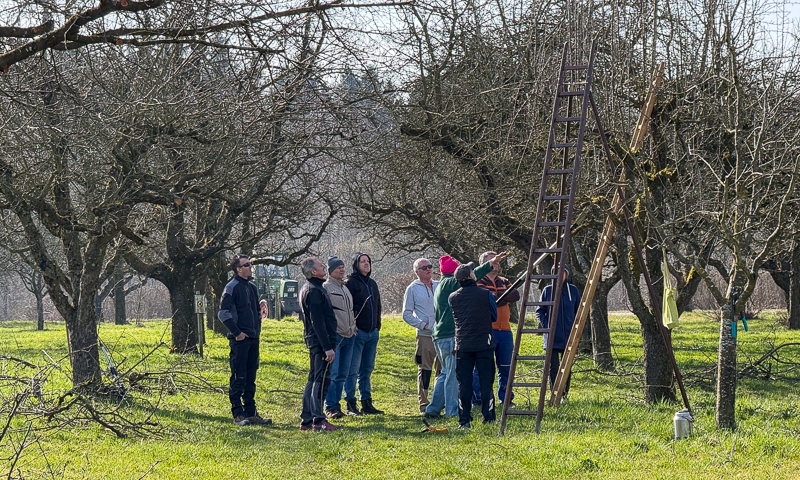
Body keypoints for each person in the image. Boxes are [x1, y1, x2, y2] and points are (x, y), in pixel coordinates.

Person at [424, 252, 507, 419]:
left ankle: (433, 408)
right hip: (449, 335)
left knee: (445, 373)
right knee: (454, 377)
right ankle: (453, 412)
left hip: (439, 336)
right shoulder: (450, 284)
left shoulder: (441, 285)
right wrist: (490, 263)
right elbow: (467, 278)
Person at [218, 254, 272, 426]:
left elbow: (257, 312)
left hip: (253, 339)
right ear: (238, 269)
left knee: (250, 377)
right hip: (240, 341)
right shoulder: (231, 287)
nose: (250, 266)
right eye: (246, 264)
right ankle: (238, 414)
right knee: (238, 377)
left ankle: (251, 412)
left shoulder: (252, 287)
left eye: (250, 263)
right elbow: (223, 314)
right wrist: (237, 333)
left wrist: (257, 331)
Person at [450, 262, 498, 428]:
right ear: (471, 276)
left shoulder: (453, 297)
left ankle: (464, 420)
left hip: (462, 344)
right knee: (486, 382)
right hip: (484, 343)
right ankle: (489, 417)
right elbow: (494, 316)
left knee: (464, 384)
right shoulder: (485, 294)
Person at [299, 257, 342, 432]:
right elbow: (318, 322)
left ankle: (307, 419)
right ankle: (319, 420)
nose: (324, 266)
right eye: (320, 265)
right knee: (321, 380)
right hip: (320, 343)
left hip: (316, 342)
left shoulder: (312, 288)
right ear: (313, 272)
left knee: (313, 379)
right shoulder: (314, 291)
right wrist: (327, 347)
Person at [474, 251, 520, 406]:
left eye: (498, 262)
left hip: (505, 330)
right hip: (487, 330)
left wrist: (497, 295)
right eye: (493, 261)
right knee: (483, 366)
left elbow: (515, 295)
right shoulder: (478, 281)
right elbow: (488, 299)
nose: (496, 264)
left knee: (506, 366)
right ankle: (479, 398)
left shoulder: (504, 280)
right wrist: (500, 295)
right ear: (483, 264)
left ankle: (506, 398)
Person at [345, 252, 384, 415]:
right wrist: (353, 327)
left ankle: (366, 402)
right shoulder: (351, 283)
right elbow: (348, 308)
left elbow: (378, 306)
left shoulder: (373, 283)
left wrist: (377, 326)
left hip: (372, 333)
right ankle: (350, 402)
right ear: (356, 264)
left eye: (368, 261)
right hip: (358, 333)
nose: (366, 264)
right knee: (352, 370)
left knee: (367, 369)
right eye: (362, 261)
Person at [536, 264, 581, 402]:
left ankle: (564, 394)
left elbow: (579, 311)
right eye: (556, 272)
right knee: (553, 366)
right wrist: (547, 326)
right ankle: (554, 393)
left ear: (567, 274)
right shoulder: (547, 290)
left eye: (563, 272)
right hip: (552, 336)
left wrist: (576, 330)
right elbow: (540, 311)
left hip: (569, 335)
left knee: (566, 366)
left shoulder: (572, 290)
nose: (560, 274)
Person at [402, 258, 440, 412]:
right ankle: (424, 404)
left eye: (430, 266)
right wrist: (423, 325)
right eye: (424, 268)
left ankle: (438, 402)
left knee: (442, 371)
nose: (428, 269)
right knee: (425, 370)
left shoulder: (439, 285)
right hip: (425, 336)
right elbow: (406, 314)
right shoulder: (412, 288)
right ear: (416, 271)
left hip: (443, 335)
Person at [323, 256, 359, 419]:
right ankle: (330, 406)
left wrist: (354, 329)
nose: (342, 270)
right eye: (338, 267)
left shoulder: (345, 288)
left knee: (343, 374)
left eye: (343, 267)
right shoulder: (326, 288)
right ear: (330, 270)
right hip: (336, 337)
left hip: (350, 336)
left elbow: (350, 312)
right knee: (334, 373)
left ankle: (337, 405)